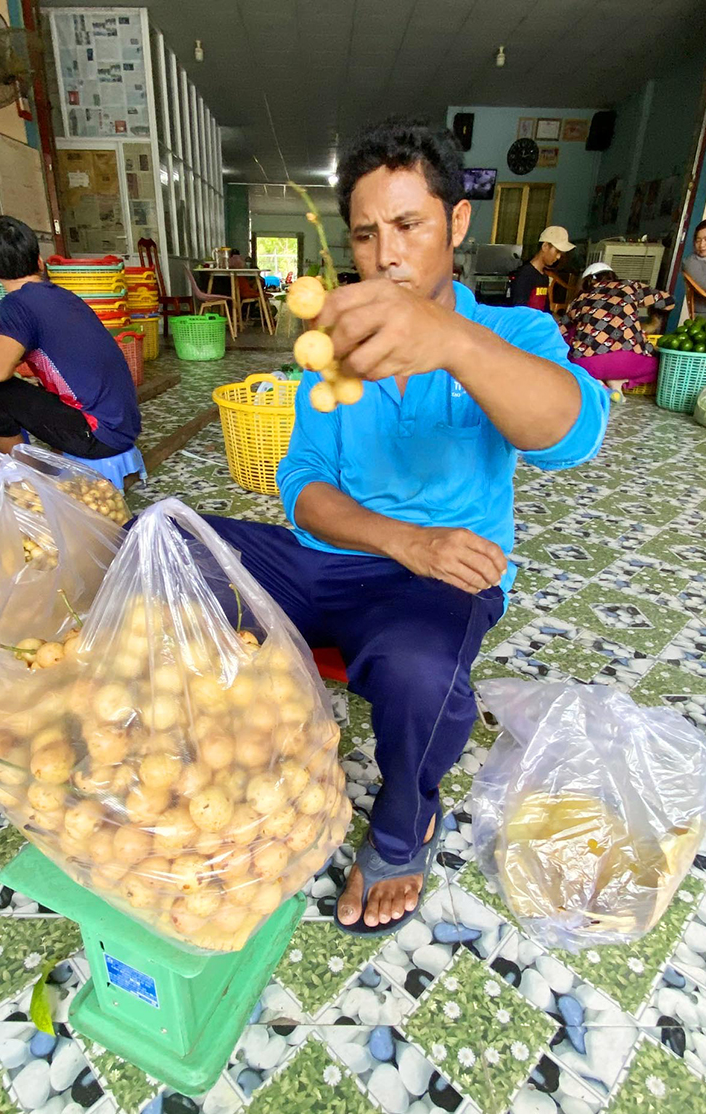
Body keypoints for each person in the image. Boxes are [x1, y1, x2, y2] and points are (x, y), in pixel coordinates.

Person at [200, 120, 609, 934]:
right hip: (334, 557)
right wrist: (398, 537)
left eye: (409, 226)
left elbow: (572, 435)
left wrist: (452, 341)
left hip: (434, 582)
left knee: (424, 673)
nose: (386, 255)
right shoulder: (334, 351)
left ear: (456, 226)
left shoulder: (515, 334)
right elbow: (303, 489)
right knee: (166, 541)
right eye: (365, 233)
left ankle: (403, 824)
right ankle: (210, 747)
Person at [0, 216, 141, 460]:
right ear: (39, 262)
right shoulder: (63, 296)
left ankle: (25, 469)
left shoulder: (18, 303)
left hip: (99, 435)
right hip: (123, 425)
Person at [562, 261, 674, 390]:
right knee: (662, 367)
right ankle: (621, 382)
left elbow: (559, 331)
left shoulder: (579, 299)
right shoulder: (630, 286)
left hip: (586, 364)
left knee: (570, 335)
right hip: (629, 362)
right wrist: (639, 306)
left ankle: (596, 382)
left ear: (587, 281)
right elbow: (668, 301)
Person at [507, 226, 575, 310]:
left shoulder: (544, 277)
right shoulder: (525, 274)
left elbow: (545, 309)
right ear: (545, 246)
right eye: (557, 251)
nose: (558, 257)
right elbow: (520, 311)